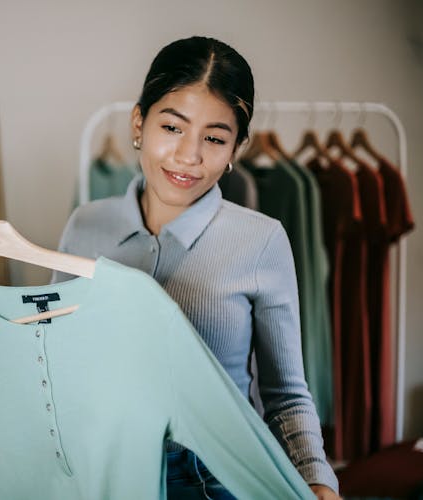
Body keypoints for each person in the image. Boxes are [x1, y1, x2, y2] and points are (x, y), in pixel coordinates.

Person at [53, 36, 340, 499]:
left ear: (235, 151)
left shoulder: (262, 240)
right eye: (172, 127)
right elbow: (57, 361)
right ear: (139, 123)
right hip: (100, 471)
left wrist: (317, 482)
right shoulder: (85, 226)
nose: (189, 156)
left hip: (214, 479)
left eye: (214, 138)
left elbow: (285, 397)